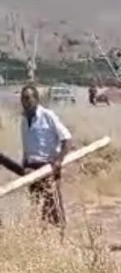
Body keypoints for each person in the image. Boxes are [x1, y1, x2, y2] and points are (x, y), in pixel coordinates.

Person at [20, 84, 72, 227]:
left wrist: (58, 161)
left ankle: (60, 234)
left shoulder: (47, 115)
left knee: (53, 206)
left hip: (48, 168)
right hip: (31, 169)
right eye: (23, 99)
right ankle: (43, 234)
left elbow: (67, 139)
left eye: (28, 98)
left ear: (36, 99)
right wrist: (24, 165)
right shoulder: (24, 120)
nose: (25, 102)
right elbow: (27, 146)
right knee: (37, 206)